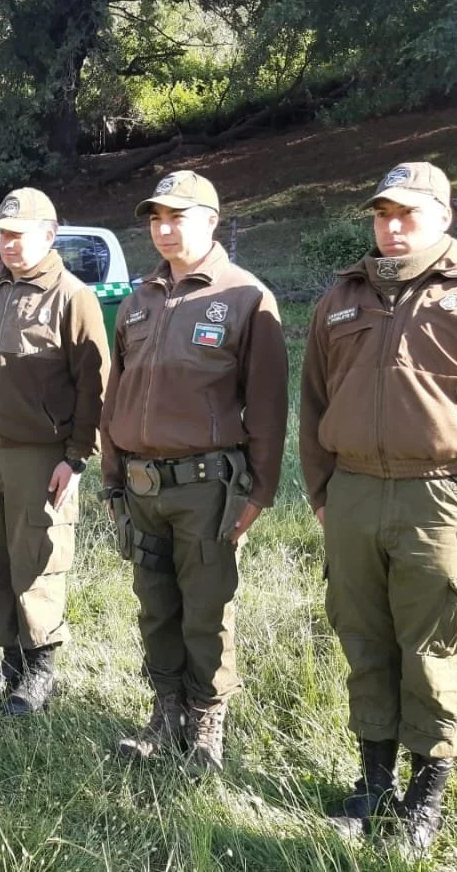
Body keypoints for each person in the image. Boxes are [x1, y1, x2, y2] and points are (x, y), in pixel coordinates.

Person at [299, 162, 457, 853]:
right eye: (383, 214)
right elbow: (314, 400)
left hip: (441, 498)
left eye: (408, 213)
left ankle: (424, 800)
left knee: (433, 649)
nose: (393, 226)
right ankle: (372, 788)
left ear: (444, 216)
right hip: (351, 495)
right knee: (364, 641)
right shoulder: (341, 300)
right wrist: (321, 491)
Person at [101, 171, 288, 773]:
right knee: (155, 604)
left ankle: (207, 722)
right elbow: (116, 395)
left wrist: (259, 491)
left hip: (208, 486)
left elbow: (266, 405)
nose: (163, 228)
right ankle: (166, 711)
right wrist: (112, 475)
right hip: (140, 485)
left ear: (211, 220)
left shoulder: (245, 298)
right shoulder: (139, 300)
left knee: (206, 607)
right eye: (156, 218)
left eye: (177, 217)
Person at [0, 188, 109, 715]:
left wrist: (77, 456)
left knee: (38, 560)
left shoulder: (71, 296)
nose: (9, 244)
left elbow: (95, 385)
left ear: (49, 235)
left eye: (19, 235)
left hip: (41, 455)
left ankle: (41, 670)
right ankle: (10, 663)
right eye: (3, 235)